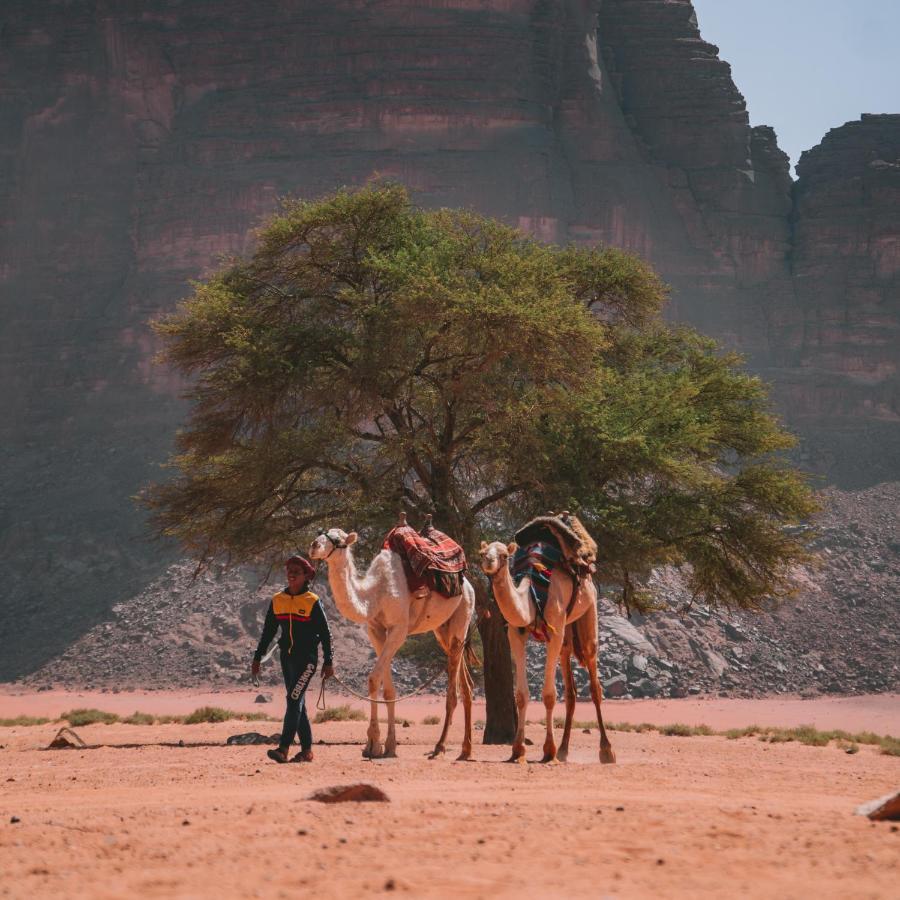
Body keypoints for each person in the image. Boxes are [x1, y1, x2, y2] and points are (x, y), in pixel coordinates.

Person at [251, 554, 334, 763]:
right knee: (298, 705)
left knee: (293, 700)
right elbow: (268, 632)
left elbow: (325, 633)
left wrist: (328, 661)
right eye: (289, 570)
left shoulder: (312, 602)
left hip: (307, 661)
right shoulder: (278, 600)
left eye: (297, 571)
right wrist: (257, 657)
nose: (291, 574)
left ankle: (283, 748)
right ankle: (306, 751)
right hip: (286, 659)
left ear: (306, 576)